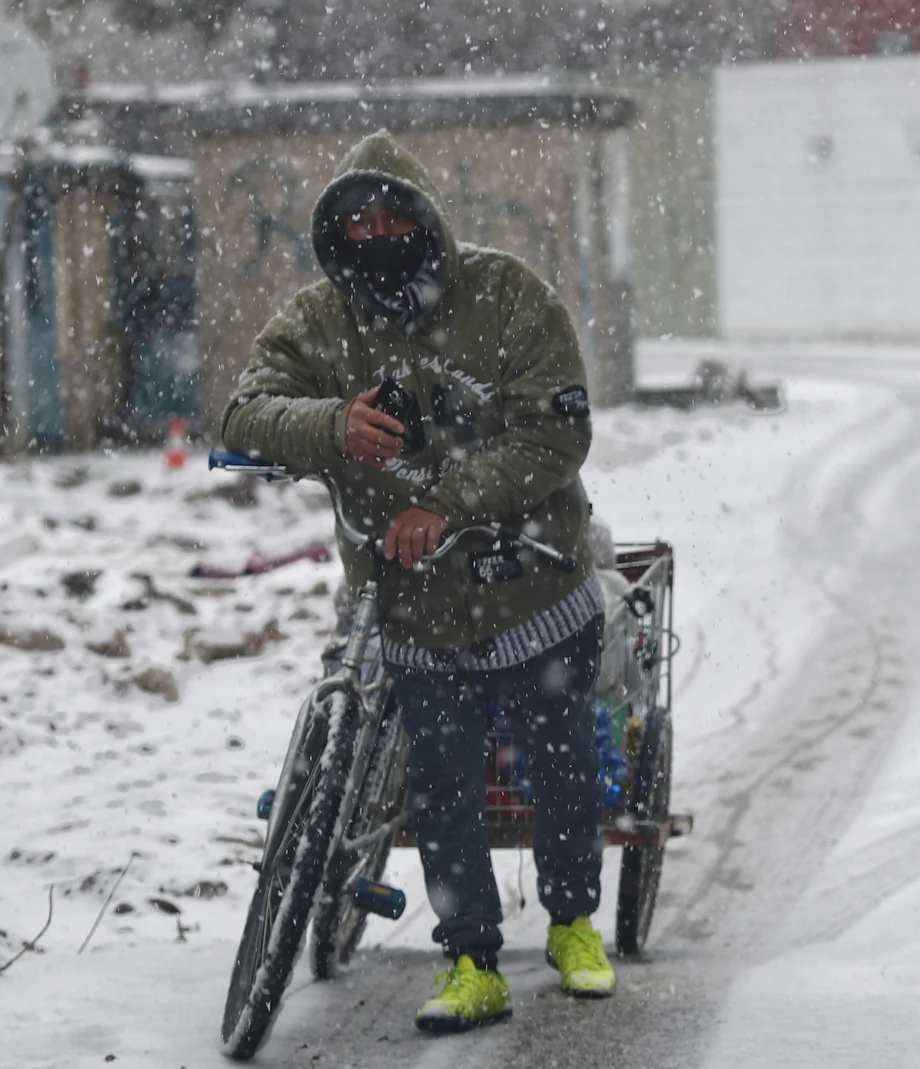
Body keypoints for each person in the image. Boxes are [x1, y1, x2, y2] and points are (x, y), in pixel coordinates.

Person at [221, 130, 614, 1033]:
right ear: (334, 237)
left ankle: (572, 924)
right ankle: (473, 959)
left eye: (395, 214)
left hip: (533, 588)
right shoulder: (322, 321)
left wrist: (450, 502)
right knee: (443, 786)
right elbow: (245, 409)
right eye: (356, 222)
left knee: (558, 766)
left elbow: (558, 431)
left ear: (428, 217)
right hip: (407, 604)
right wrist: (332, 425)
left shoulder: (508, 296)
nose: (377, 233)